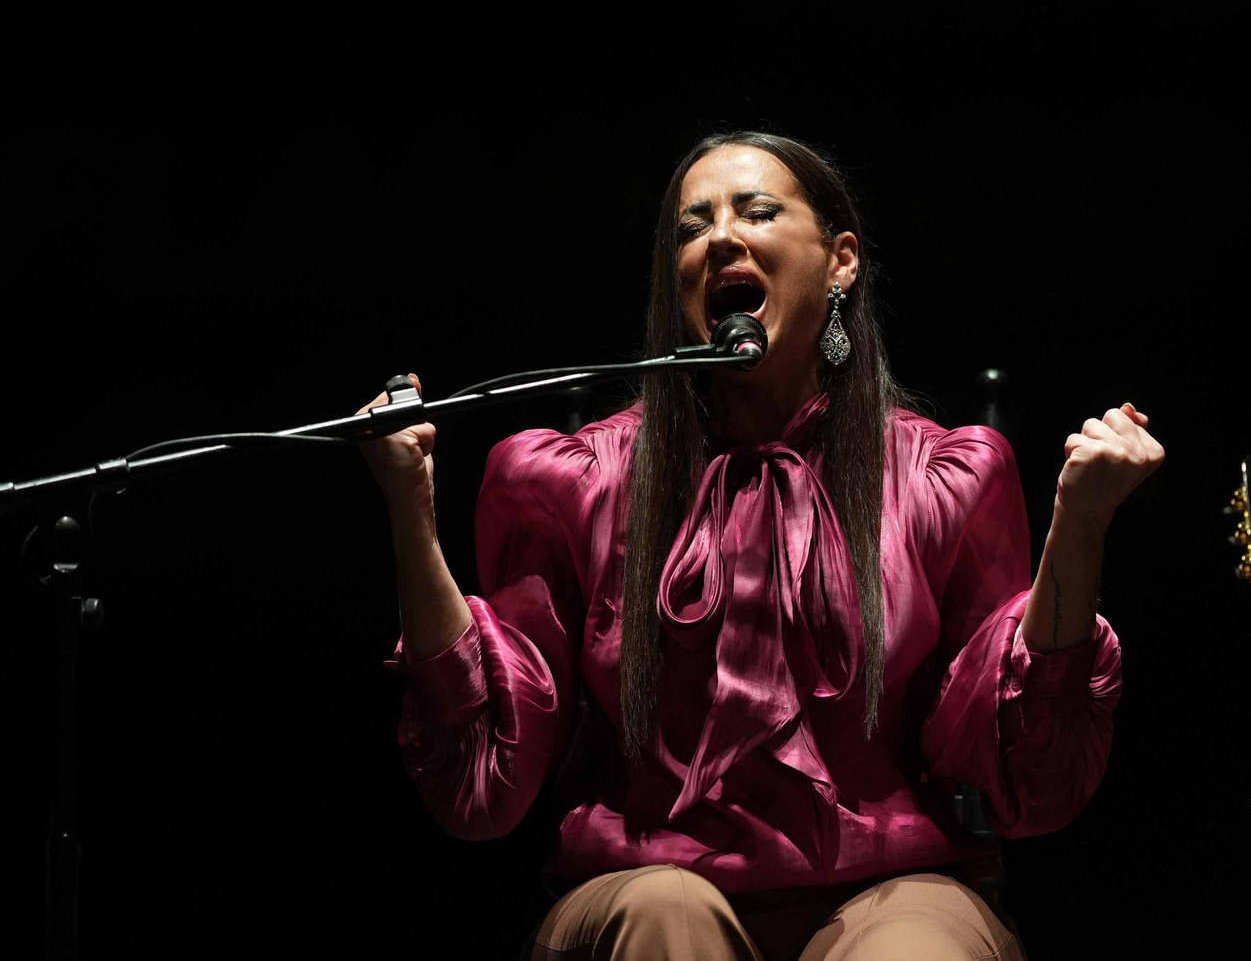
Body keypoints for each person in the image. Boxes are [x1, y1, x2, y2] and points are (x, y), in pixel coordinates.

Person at [357, 132, 1163, 961]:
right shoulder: (578, 481)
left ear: (841, 261)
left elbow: (1027, 774)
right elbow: (482, 774)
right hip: (645, 886)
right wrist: (411, 514)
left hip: (888, 886)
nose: (722, 239)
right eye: (692, 227)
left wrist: (1080, 523)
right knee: (667, 915)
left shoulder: (940, 476)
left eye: (757, 211)